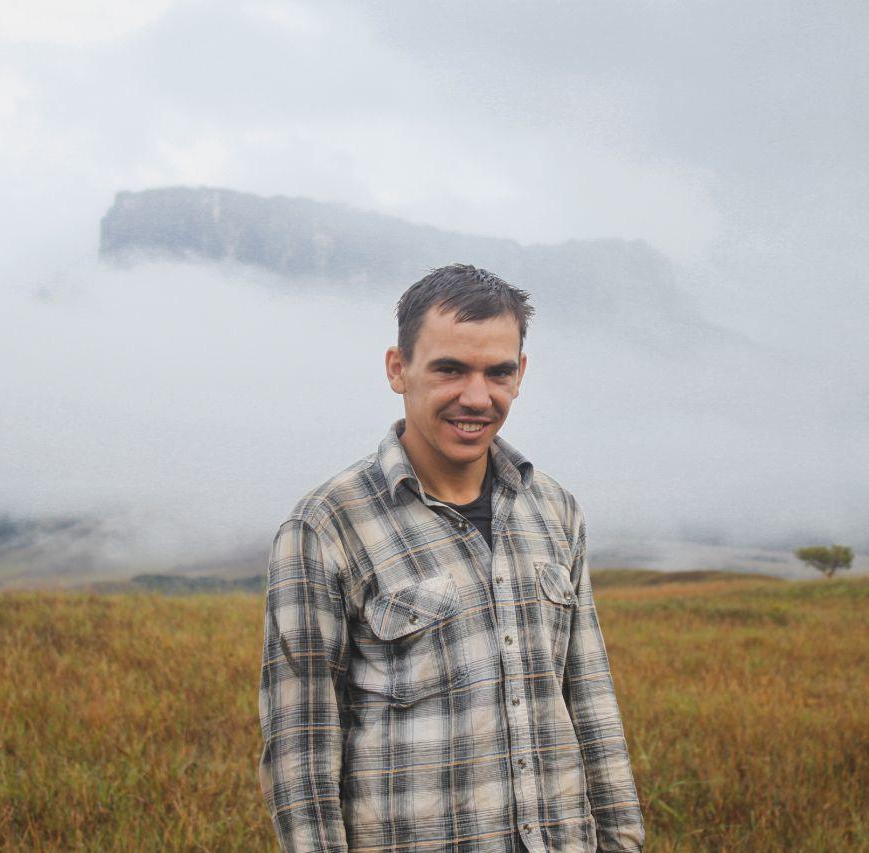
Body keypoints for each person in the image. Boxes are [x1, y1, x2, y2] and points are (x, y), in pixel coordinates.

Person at [258, 264, 645, 852]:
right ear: (398, 368)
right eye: (450, 369)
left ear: (521, 374)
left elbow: (591, 700)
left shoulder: (555, 510)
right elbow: (300, 754)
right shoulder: (327, 526)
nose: (476, 397)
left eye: (498, 372)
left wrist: (622, 840)